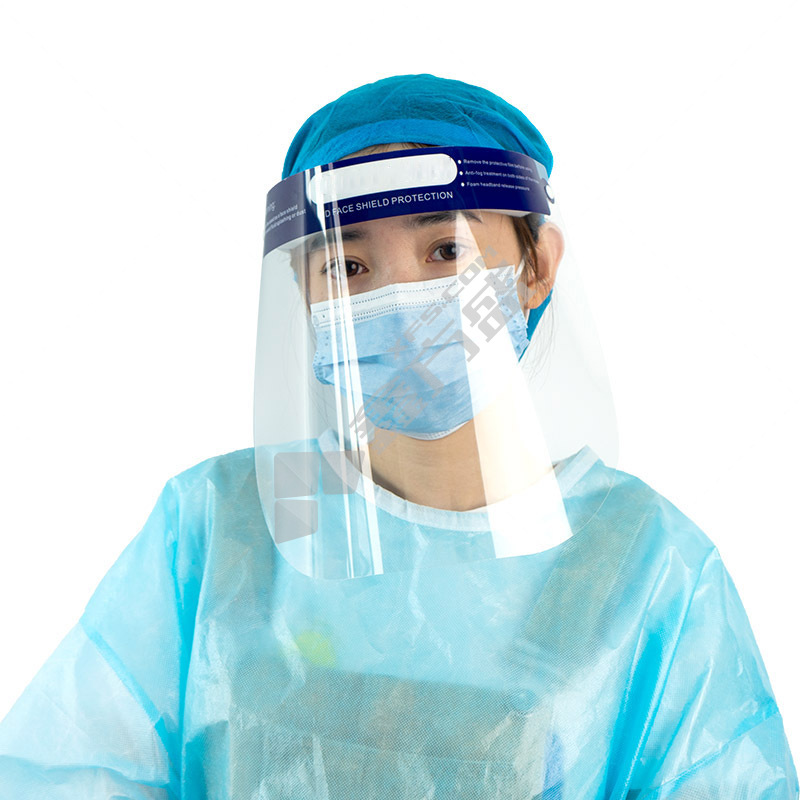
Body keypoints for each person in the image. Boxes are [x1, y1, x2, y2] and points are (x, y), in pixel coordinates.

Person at [0, 74, 796, 800]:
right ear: (303, 292)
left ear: (537, 266)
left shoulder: (645, 564)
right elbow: (63, 775)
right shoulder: (223, 530)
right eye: (347, 266)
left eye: (446, 250)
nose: (399, 300)